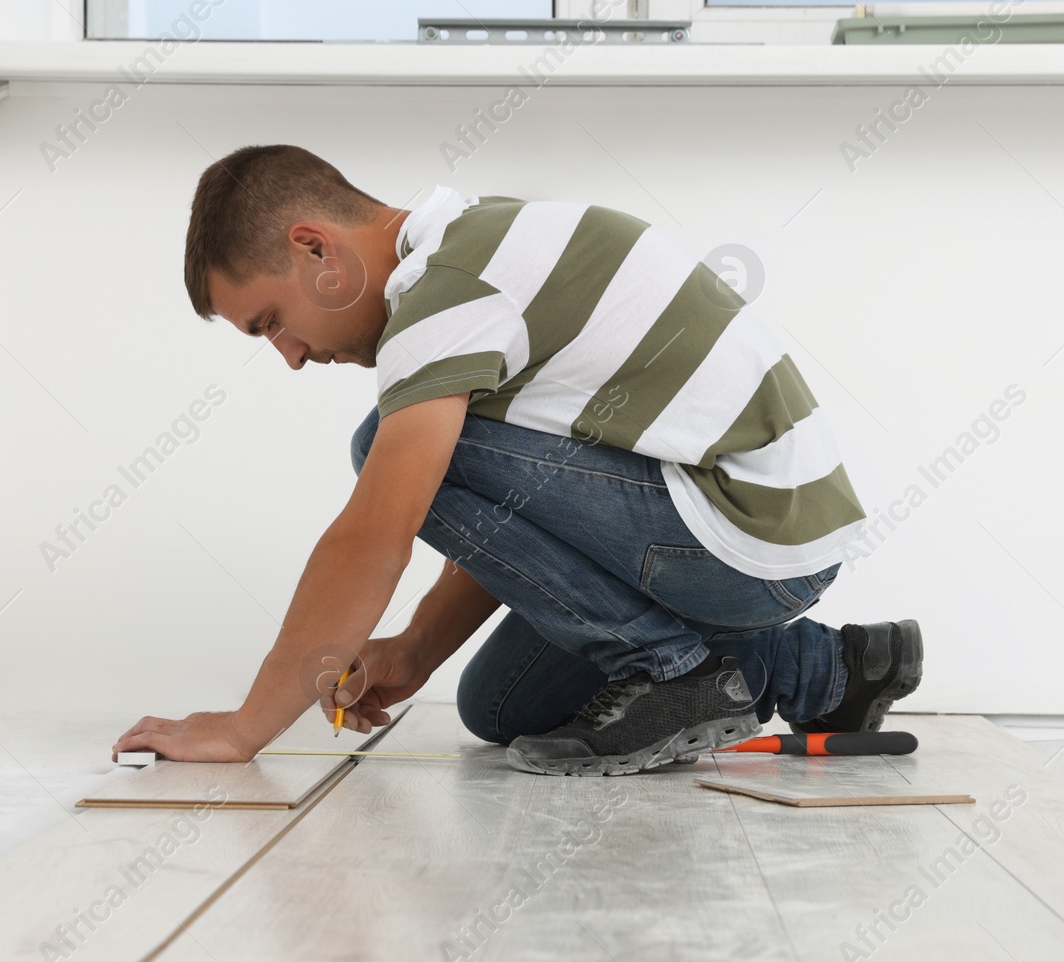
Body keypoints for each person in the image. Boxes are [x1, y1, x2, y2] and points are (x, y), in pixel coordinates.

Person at [112, 144, 922, 776]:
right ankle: (832, 670)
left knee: (379, 448)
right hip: (745, 530)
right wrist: (414, 649)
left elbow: (375, 534)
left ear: (315, 248)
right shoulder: (472, 249)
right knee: (499, 704)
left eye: (271, 321)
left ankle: (674, 671)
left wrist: (246, 726)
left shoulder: (448, 289)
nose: (289, 355)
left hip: (747, 527)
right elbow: (524, 509)